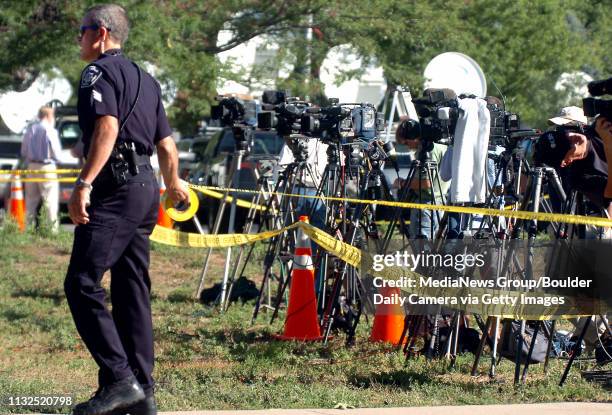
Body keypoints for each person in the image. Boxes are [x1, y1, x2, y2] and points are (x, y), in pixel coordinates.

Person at [63, 4, 188, 415]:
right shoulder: (147, 80)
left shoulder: (97, 73)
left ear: (100, 34)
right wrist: (173, 186)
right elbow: (167, 146)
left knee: (82, 282)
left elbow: (107, 127)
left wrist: (83, 183)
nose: (78, 39)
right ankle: (143, 394)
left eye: (82, 32)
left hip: (115, 189)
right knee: (132, 289)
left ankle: (120, 381)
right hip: (145, 189)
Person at [394, 119, 450, 239]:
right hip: (440, 202)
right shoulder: (440, 146)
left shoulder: (428, 151)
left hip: (426, 205)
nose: (407, 147)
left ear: (412, 137)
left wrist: (403, 183)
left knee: (422, 248)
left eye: (406, 143)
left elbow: (426, 182)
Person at [20, 106, 62, 232]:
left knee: (30, 201)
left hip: (31, 167)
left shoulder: (31, 129)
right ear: (49, 116)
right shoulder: (50, 130)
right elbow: (57, 153)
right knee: (50, 201)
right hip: (47, 167)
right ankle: (52, 231)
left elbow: (23, 151)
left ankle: (27, 229)